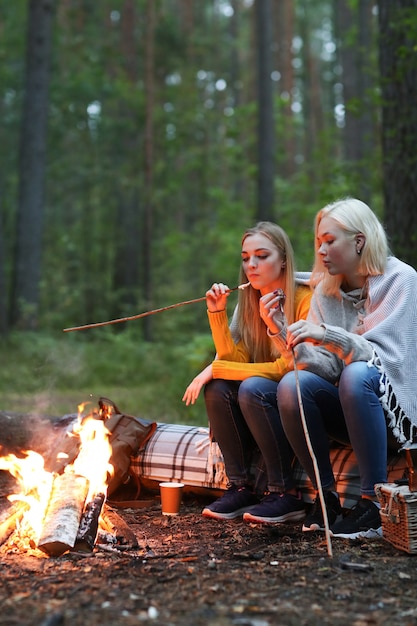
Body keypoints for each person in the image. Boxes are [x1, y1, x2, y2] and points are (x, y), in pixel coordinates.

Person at [275, 197, 417, 539]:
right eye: (318, 242)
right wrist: (281, 330)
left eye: (329, 241)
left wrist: (327, 334)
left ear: (359, 241)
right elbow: (324, 367)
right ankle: (326, 499)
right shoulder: (326, 291)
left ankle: (372, 503)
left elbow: (383, 361)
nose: (321, 250)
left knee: (357, 374)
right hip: (350, 406)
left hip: (395, 415)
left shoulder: (402, 280)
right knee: (292, 385)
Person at [182, 221, 311, 523]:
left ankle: (284, 493)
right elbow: (235, 358)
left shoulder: (305, 299)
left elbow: (287, 368)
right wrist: (217, 313)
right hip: (262, 398)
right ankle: (241, 487)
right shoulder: (249, 301)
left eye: (261, 256)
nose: (251, 265)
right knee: (218, 389)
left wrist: (215, 368)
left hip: (300, 398)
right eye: (245, 257)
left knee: (251, 387)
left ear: (283, 259)